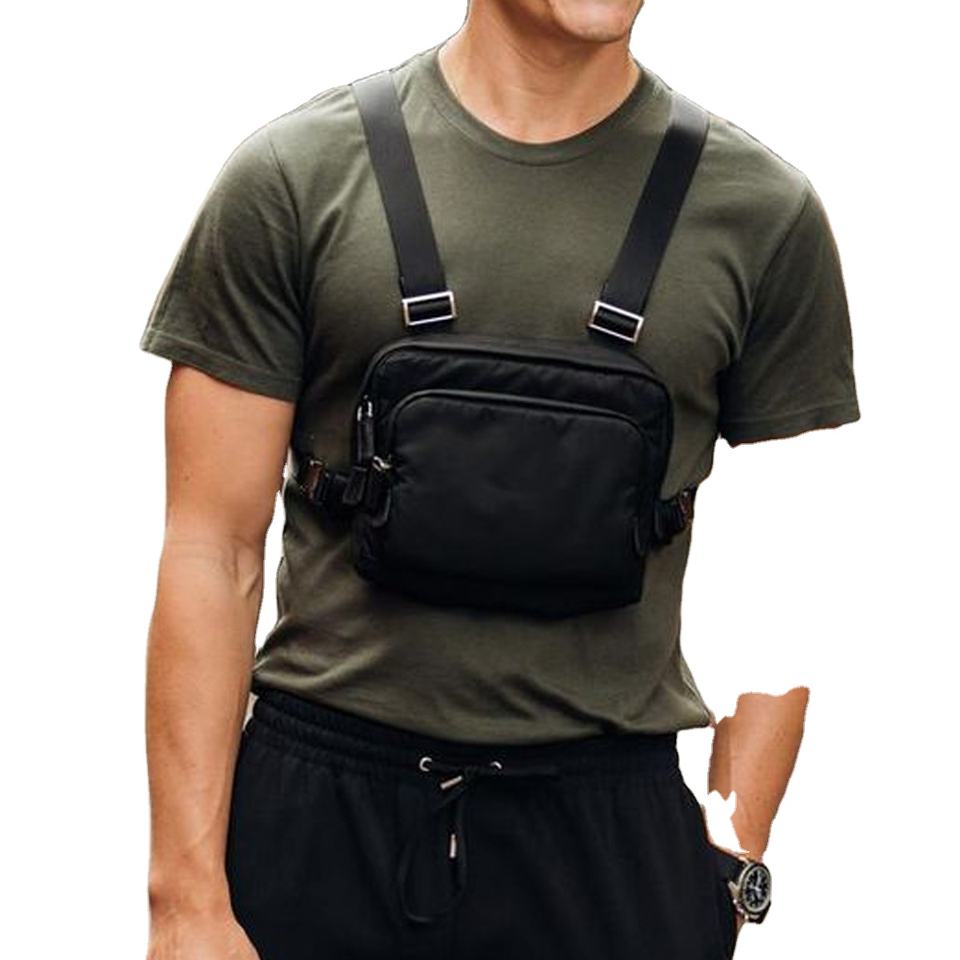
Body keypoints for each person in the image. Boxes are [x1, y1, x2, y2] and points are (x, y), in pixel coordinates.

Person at [140, 2, 860, 959]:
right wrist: (185, 899)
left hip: (611, 835)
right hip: (323, 818)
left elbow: (795, 571)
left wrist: (732, 857)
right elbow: (211, 548)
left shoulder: (763, 212)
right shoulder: (294, 176)